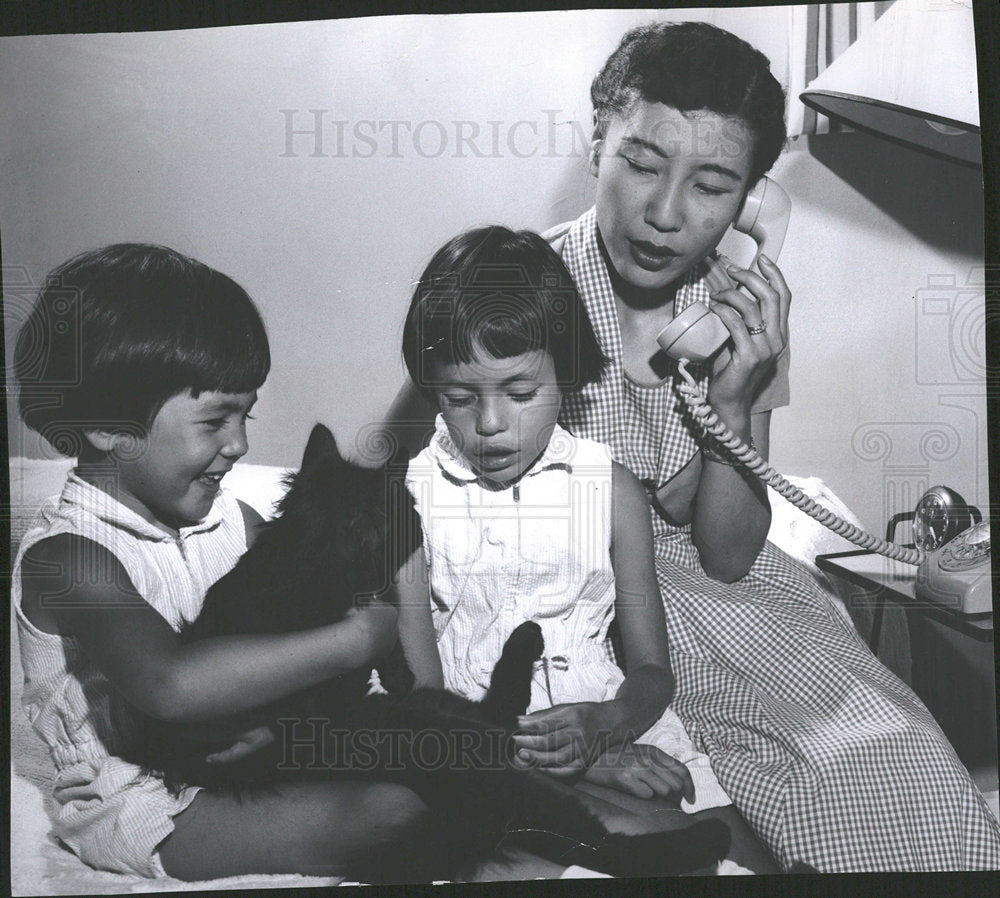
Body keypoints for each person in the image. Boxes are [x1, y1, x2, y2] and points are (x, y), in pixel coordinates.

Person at [540, 21, 1000, 871]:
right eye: (640, 162)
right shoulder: (519, 288)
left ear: (753, 201)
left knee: (901, 758)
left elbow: (727, 553)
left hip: (737, 597)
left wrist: (734, 398)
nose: (666, 213)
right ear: (596, 140)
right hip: (583, 602)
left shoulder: (745, 315)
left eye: (712, 184)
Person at [10, 244, 578, 885]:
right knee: (397, 812)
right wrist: (355, 640)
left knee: (469, 775)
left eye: (245, 415)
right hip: (147, 802)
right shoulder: (69, 558)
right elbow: (170, 685)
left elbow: (351, 660)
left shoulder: (234, 524)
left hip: (260, 757)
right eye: (216, 420)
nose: (241, 444)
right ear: (107, 424)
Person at [396, 225, 778, 874]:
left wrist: (609, 727)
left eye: (520, 393)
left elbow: (653, 671)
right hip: (477, 748)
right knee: (651, 847)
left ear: (566, 375)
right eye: (459, 398)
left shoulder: (610, 491)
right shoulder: (408, 501)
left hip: (612, 723)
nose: (490, 425)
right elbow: (422, 704)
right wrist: (571, 759)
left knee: (744, 858)